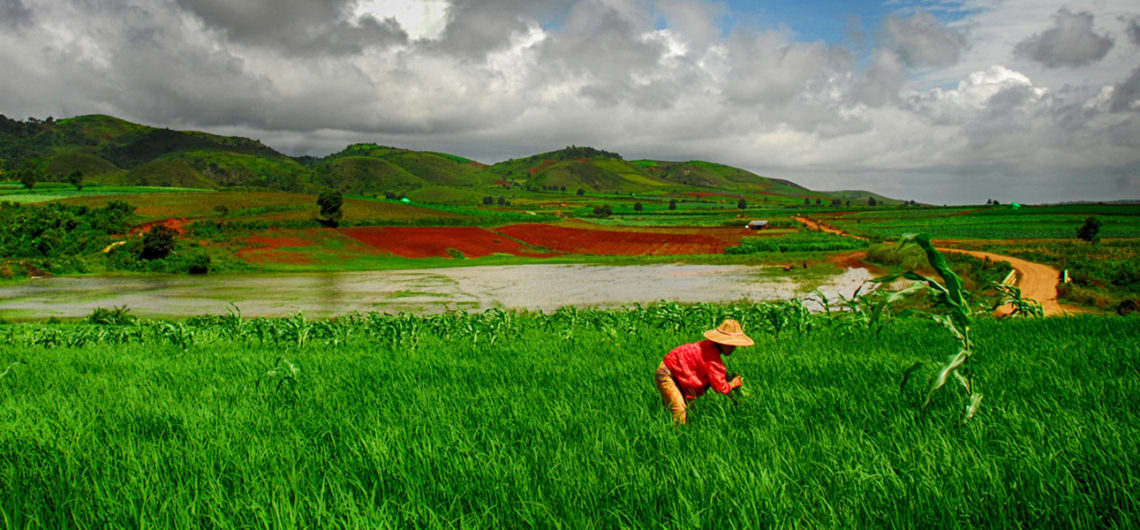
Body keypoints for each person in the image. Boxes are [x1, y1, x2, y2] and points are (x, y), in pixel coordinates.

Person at [654, 319, 753, 424]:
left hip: (677, 373)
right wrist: (733, 384)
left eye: (734, 345)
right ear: (720, 342)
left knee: (690, 411)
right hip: (668, 374)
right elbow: (720, 388)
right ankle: (674, 436)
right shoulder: (712, 359)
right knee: (680, 412)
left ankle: (678, 430)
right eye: (730, 345)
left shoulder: (709, 348)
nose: (733, 348)